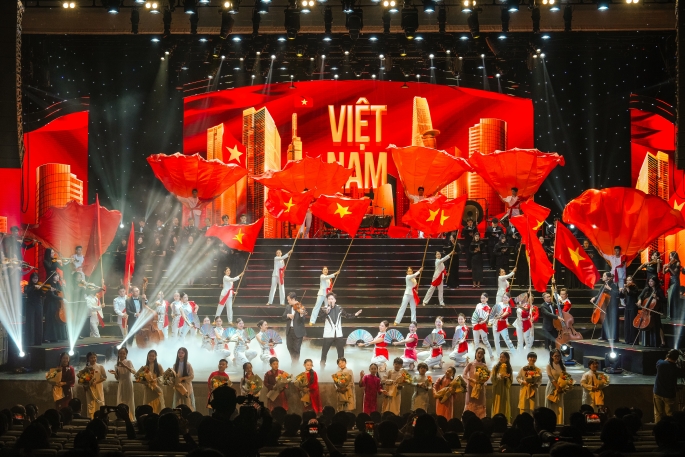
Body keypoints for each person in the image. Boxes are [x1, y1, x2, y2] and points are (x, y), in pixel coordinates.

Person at [319, 292, 362, 367]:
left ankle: (341, 366)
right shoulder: (324, 309)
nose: (330, 300)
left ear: (335, 300)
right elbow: (321, 319)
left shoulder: (339, 308)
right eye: (329, 299)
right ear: (327, 300)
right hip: (328, 334)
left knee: (341, 352)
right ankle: (322, 366)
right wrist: (326, 312)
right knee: (324, 352)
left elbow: (347, 315)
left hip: (338, 334)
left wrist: (355, 314)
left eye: (332, 299)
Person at [653, 349, 685, 422]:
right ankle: (670, 427)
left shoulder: (660, 363)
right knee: (670, 414)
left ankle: (658, 427)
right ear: (676, 358)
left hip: (658, 392)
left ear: (668, 355)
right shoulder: (676, 369)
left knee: (658, 414)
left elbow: (663, 361)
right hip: (669, 394)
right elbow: (682, 373)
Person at [637, 276, 667, 347]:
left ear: (655, 282)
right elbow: (640, 296)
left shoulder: (659, 290)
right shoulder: (647, 289)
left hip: (655, 311)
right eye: (649, 281)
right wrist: (639, 300)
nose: (650, 283)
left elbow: (664, 300)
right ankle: (647, 341)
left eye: (652, 281)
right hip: (647, 310)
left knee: (658, 325)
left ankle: (663, 342)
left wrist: (657, 297)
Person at [108, 347, 136, 421]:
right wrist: (114, 373)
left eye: (123, 353)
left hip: (128, 383)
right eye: (120, 353)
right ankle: (121, 417)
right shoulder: (116, 364)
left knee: (129, 400)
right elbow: (118, 378)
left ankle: (130, 418)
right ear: (118, 354)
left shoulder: (128, 362)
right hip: (121, 384)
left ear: (126, 354)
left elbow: (134, 372)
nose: (122, 355)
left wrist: (125, 366)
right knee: (121, 400)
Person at [592, 272, 620, 342]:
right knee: (605, 320)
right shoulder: (603, 285)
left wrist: (610, 289)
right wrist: (594, 298)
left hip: (612, 306)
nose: (603, 277)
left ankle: (615, 338)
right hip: (605, 305)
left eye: (604, 276)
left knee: (613, 321)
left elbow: (617, 294)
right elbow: (599, 294)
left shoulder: (613, 285)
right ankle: (604, 336)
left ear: (609, 278)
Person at [463, 347, 490, 418]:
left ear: (483, 355)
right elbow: (464, 374)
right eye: (478, 353)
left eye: (482, 354)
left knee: (480, 404)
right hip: (471, 387)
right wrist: (471, 379)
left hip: (480, 388)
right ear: (476, 353)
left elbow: (487, 377)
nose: (480, 355)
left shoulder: (484, 366)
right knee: (470, 404)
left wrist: (482, 381)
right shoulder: (470, 364)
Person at [544, 349, 567, 425]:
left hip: (560, 388)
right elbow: (550, 377)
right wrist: (557, 386)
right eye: (555, 356)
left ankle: (559, 424)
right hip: (552, 387)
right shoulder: (549, 366)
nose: (557, 357)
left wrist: (563, 386)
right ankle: (550, 424)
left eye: (559, 356)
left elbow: (565, 378)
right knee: (551, 405)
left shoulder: (563, 367)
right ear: (552, 356)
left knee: (559, 406)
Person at [283, 292, 306, 366]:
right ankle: (294, 361)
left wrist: (301, 314)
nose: (288, 301)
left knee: (297, 348)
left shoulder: (300, 306)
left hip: (298, 332)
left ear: (293, 299)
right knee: (289, 347)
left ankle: (295, 363)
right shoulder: (288, 307)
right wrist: (288, 315)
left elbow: (303, 321)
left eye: (288, 300)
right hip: (289, 331)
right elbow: (283, 317)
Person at [82, 352, 107, 418]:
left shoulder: (100, 366)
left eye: (94, 357)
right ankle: (91, 418)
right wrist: (86, 384)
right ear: (88, 359)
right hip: (90, 389)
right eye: (91, 358)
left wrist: (96, 382)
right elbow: (83, 380)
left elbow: (104, 377)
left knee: (100, 402)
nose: (93, 359)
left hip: (98, 388)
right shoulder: (86, 368)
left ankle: (101, 418)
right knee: (90, 404)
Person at [471, 293, 494, 361]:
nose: (482, 299)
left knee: (485, 341)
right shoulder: (478, 305)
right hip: (476, 325)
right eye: (481, 298)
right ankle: (476, 357)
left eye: (484, 298)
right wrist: (474, 322)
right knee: (476, 342)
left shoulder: (488, 307)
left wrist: (483, 321)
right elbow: (475, 314)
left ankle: (491, 356)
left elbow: (486, 317)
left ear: (487, 299)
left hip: (482, 325)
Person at [491, 352, 513, 423]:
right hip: (497, 389)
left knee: (504, 404)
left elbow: (511, 380)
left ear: (507, 359)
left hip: (504, 388)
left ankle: (505, 421)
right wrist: (498, 377)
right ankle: (495, 420)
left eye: (503, 357)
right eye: (500, 357)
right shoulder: (495, 367)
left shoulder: (509, 368)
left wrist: (506, 378)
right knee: (497, 403)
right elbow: (492, 378)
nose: (501, 358)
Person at [24, 272, 44, 346]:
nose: (35, 280)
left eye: (36, 278)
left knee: (39, 322)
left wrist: (41, 289)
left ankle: (38, 341)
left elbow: (43, 294)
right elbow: (26, 292)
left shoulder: (40, 286)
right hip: (30, 305)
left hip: (38, 305)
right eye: (34, 278)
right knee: (30, 322)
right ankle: (29, 341)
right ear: (31, 279)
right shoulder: (27, 286)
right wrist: (33, 287)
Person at [621, 276, 640, 344]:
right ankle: (627, 340)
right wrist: (622, 291)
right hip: (627, 307)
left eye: (630, 280)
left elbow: (631, 294)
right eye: (627, 280)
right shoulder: (626, 288)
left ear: (633, 281)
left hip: (633, 307)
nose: (628, 282)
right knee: (627, 324)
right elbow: (621, 296)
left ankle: (634, 340)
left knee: (632, 324)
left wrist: (627, 288)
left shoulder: (635, 288)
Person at [664, 251, 681, 319]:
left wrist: (669, 267)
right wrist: (664, 267)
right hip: (671, 282)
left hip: (675, 281)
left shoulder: (677, 263)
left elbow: (675, 273)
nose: (670, 257)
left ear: (674, 256)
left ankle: (674, 315)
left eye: (671, 256)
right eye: (670, 256)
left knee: (673, 298)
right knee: (669, 298)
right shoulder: (670, 264)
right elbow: (664, 272)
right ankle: (670, 315)